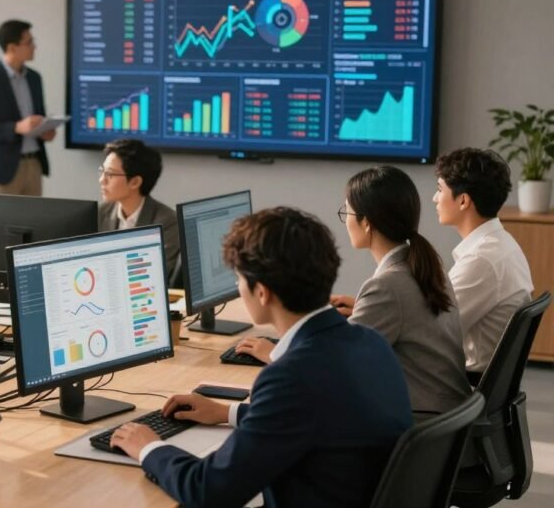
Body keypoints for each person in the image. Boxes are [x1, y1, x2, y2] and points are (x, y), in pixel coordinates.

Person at [111, 207, 412, 508]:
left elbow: (209, 490)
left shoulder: (292, 377)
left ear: (263, 293)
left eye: (240, 279)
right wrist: (228, 413)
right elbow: (316, 421)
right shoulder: (368, 341)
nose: (238, 288)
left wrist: (149, 448)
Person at [240, 166, 470, 416]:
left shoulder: (386, 286)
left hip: (419, 422)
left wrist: (274, 352)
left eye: (347, 211)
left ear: (367, 223)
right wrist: (361, 308)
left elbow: (333, 369)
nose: (346, 219)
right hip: (446, 417)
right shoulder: (426, 264)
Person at [434, 148, 533, 379]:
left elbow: (434, 329)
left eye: (439, 190)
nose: (435, 198)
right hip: (485, 383)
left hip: (465, 387)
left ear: (463, 201)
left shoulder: (481, 260)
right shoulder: (501, 244)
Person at [0, 19, 55, 196]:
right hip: (1, 170)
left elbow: (38, 117)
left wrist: (45, 130)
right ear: (11, 48)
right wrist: (16, 128)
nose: (34, 46)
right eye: (29, 42)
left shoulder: (34, 78)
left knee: (33, 222)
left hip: (33, 164)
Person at [97, 139, 179, 277]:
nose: (102, 180)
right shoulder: (100, 212)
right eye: (102, 171)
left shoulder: (168, 223)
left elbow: (154, 275)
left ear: (135, 182)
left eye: (110, 174)